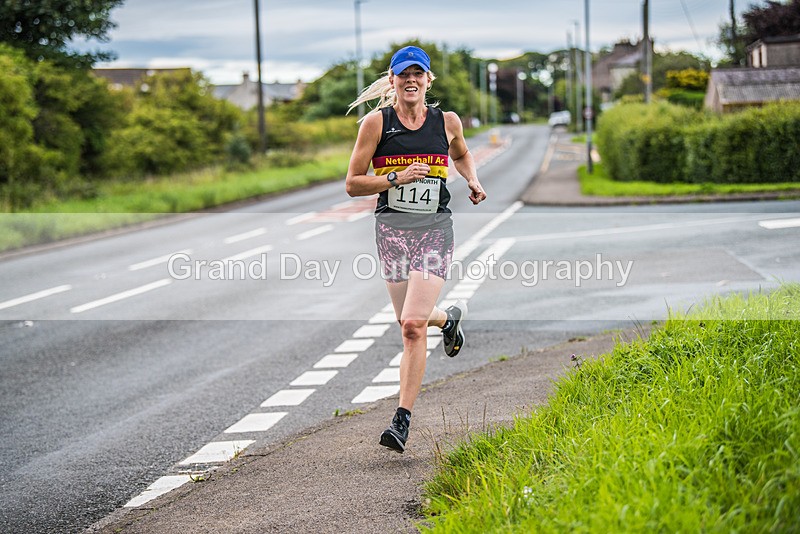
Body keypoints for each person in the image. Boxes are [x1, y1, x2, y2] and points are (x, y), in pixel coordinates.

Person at [345, 45, 487, 453]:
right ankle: (448, 319)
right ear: (392, 81)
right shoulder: (375, 124)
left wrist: (472, 180)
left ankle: (401, 421)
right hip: (391, 232)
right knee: (415, 320)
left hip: (433, 231)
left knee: (410, 326)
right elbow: (353, 183)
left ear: (428, 80)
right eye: (402, 74)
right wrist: (396, 178)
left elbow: (461, 154)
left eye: (417, 74)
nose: (410, 80)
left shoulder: (447, 122)